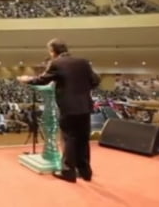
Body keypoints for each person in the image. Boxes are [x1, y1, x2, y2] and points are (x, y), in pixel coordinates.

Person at [18, 38, 100, 183]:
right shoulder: (83, 62)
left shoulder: (56, 63)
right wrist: (81, 90)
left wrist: (27, 79)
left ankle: (68, 172)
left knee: (69, 138)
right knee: (83, 139)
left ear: (53, 51)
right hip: (85, 107)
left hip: (69, 107)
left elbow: (42, 80)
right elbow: (95, 81)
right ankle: (85, 172)